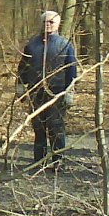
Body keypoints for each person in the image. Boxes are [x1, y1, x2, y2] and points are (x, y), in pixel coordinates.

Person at [17, 10, 78, 170]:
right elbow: (23, 68)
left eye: (51, 22)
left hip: (56, 92)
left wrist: (69, 92)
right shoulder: (31, 46)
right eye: (45, 22)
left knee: (56, 127)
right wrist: (20, 87)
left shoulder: (65, 45)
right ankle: (39, 161)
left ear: (58, 24)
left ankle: (58, 161)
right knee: (38, 128)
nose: (48, 24)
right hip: (36, 92)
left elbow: (71, 70)